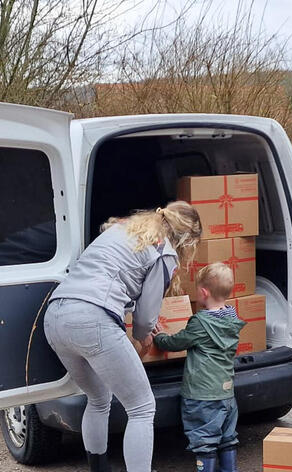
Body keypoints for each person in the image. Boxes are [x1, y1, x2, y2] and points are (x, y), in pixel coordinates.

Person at [44, 201, 202, 472]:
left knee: (98, 398)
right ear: (187, 238)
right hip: (92, 319)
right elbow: (145, 318)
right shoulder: (163, 250)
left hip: (55, 317)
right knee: (142, 407)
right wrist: (143, 337)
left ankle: (99, 468)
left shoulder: (123, 229)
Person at [152, 262, 246, 472]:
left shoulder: (200, 323)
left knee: (204, 442)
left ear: (203, 292)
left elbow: (176, 342)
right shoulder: (232, 319)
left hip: (202, 395)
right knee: (227, 438)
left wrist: (159, 337)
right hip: (226, 393)